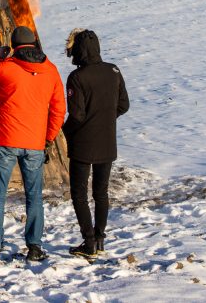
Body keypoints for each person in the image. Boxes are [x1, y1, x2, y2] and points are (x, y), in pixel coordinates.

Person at [0, 25, 66, 263]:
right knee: (34, 196)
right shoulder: (50, 71)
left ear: (14, 44)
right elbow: (59, 109)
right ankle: (34, 246)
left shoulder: (6, 67)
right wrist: (48, 139)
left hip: (5, 140)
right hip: (34, 143)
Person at [63, 28, 130, 259]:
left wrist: (64, 132)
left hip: (83, 143)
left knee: (79, 194)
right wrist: (106, 118)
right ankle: (100, 238)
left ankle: (88, 241)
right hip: (107, 141)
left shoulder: (77, 78)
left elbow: (77, 115)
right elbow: (124, 105)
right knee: (101, 193)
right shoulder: (113, 71)